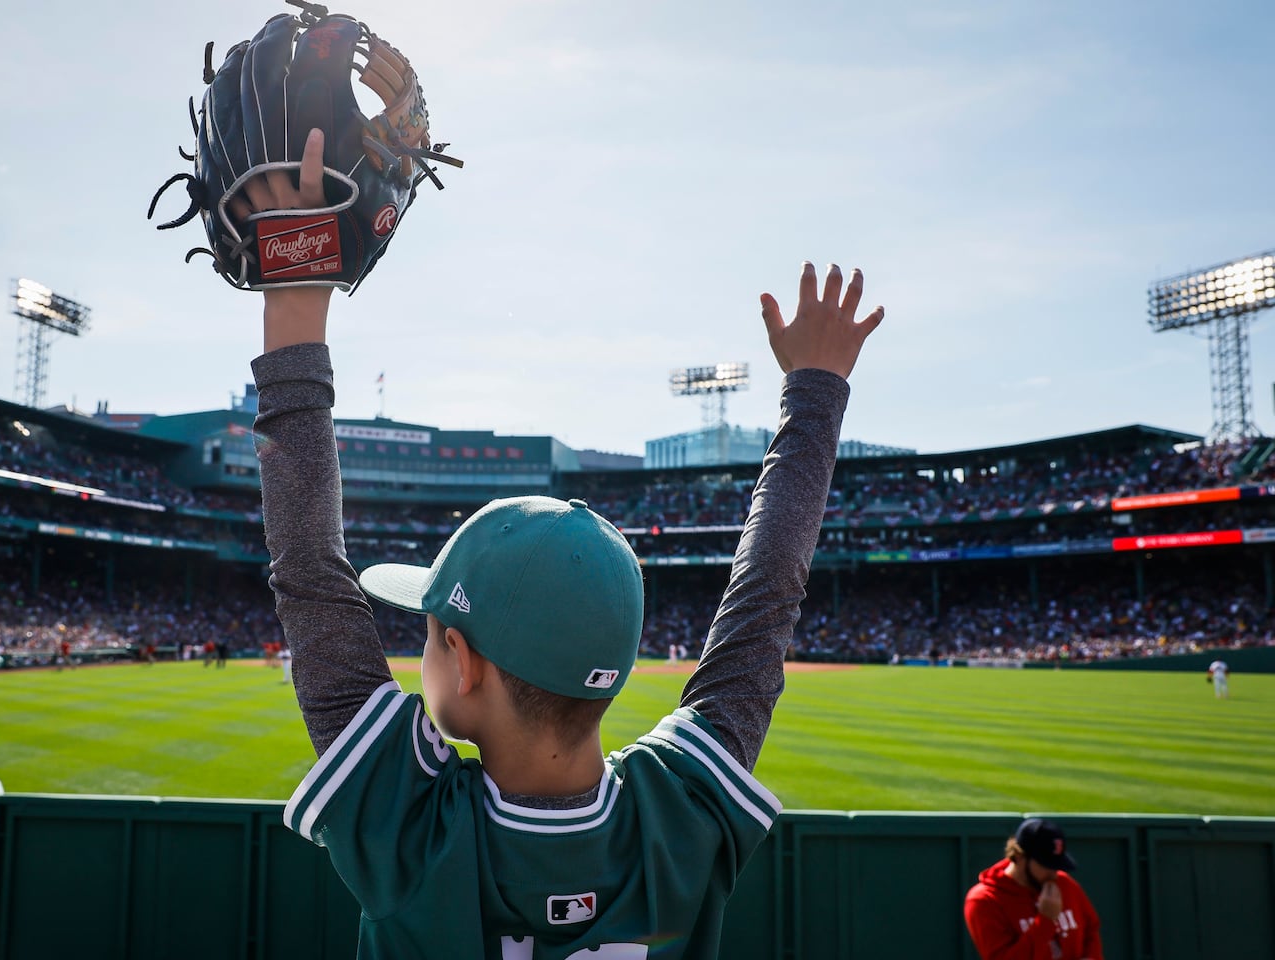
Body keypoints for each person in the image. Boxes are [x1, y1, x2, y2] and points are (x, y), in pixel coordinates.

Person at [246, 129, 882, 958]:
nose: (423, 649)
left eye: (430, 631)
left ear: (465, 663)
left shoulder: (407, 825)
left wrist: (296, 286)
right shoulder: (678, 817)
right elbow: (769, 593)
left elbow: (307, 569)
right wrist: (818, 389)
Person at [965, 817, 1103, 960]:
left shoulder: (1064, 883)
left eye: (1056, 865)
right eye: (1046, 865)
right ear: (1019, 856)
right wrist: (1045, 921)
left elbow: (1091, 928)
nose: (1053, 873)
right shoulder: (985, 900)